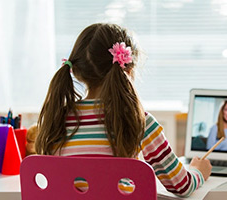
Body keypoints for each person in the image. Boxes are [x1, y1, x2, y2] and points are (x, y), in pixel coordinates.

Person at [35, 23, 211, 197]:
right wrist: (197, 172)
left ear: (76, 70)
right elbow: (181, 186)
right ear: (129, 68)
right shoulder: (140, 121)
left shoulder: (56, 119)